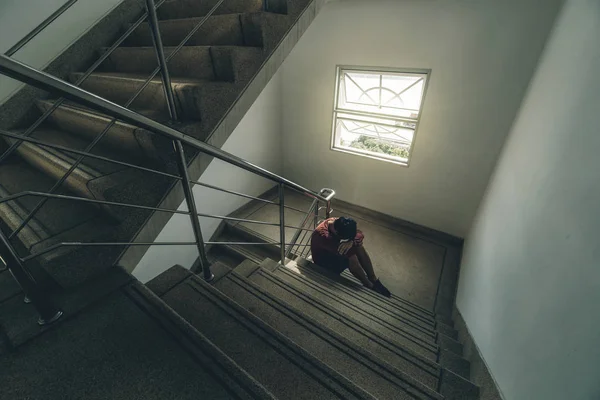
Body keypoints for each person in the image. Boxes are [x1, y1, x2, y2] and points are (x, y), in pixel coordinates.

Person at [310, 216, 391, 297]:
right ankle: (368, 284)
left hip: (331, 251)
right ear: (338, 234)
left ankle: (373, 278)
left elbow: (360, 234)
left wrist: (351, 241)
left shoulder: (337, 222)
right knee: (351, 257)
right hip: (323, 263)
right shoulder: (325, 237)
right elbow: (350, 255)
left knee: (358, 246)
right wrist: (351, 243)